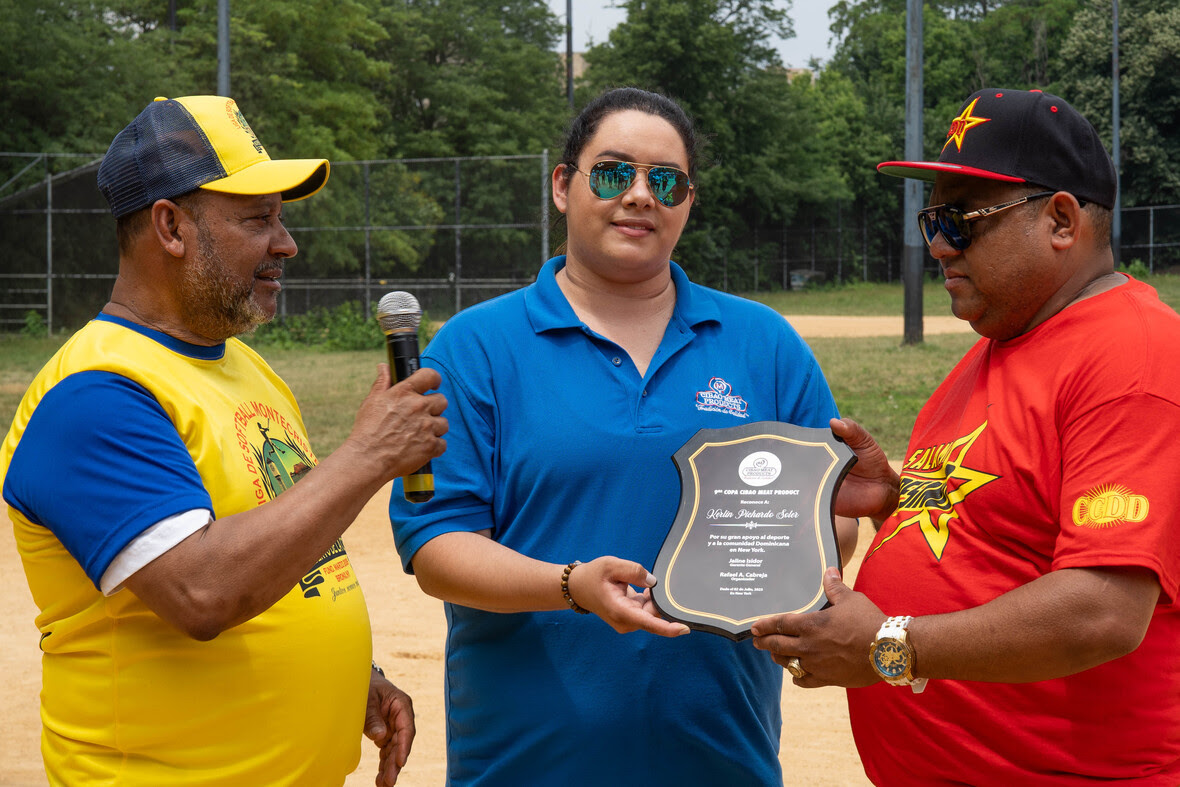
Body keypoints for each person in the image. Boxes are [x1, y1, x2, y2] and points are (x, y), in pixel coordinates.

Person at [386, 86, 865, 786]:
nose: (640, 195)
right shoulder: (475, 348)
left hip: (721, 758)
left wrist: (788, 555)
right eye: (614, 173)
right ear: (562, 185)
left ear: (688, 202)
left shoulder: (764, 342)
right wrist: (571, 585)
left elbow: (834, 520)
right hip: (525, 765)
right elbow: (437, 547)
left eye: (665, 181)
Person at [0, 95, 449, 786]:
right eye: (257, 219)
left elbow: (284, 553)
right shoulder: (94, 394)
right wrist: (368, 455)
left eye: (281, 217)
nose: (286, 242)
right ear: (170, 226)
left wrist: (350, 673)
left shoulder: (246, 367)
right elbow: (200, 590)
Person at [750, 88, 1180, 784]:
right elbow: (1010, 529)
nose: (939, 244)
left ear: (1062, 220)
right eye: (932, 220)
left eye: (962, 220)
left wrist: (888, 645)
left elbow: (1103, 609)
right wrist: (898, 501)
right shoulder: (1000, 345)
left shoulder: (1133, 355)